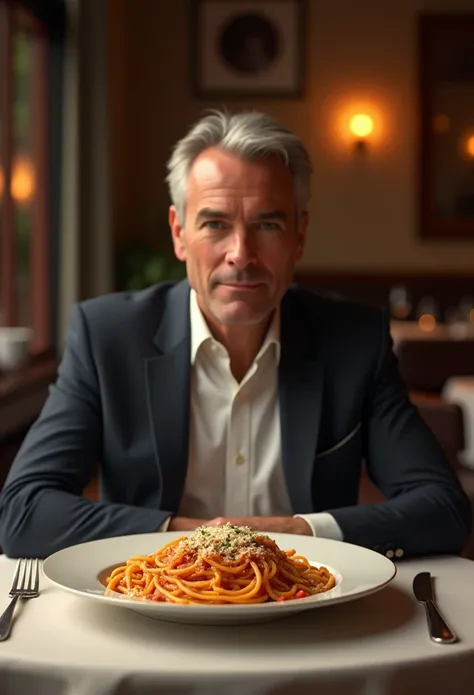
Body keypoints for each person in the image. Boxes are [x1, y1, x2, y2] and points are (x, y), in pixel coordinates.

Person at [0, 111, 471, 559]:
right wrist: (194, 538)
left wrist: (298, 532)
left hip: (307, 607)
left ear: (299, 236)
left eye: (267, 224)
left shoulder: (353, 341)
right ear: (179, 232)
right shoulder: (107, 338)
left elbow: (444, 510)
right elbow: (24, 512)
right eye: (215, 224)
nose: (241, 254)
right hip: (154, 607)